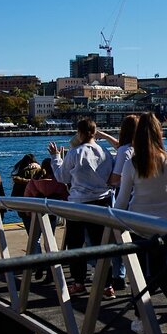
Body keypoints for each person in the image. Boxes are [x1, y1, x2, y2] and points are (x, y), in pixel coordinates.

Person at [114, 112, 167, 334]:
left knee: (138, 275)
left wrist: (112, 221)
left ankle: (140, 318)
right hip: (162, 225)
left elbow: (123, 200)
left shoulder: (132, 164)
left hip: (137, 225)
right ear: (159, 132)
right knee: (158, 270)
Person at [48, 118, 115, 298]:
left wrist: (56, 158)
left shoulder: (75, 152)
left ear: (79, 133)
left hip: (79, 203)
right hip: (102, 202)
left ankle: (79, 282)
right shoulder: (105, 152)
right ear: (95, 132)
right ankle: (107, 284)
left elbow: (62, 177)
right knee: (102, 244)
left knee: (76, 245)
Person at [99, 114, 139, 290]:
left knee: (118, 239)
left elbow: (115, 179)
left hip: (124, 195)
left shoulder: (124, 151)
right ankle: (126, 275)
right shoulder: (140, 148)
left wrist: (100, 178)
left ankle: (118, 276)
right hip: (138, 195)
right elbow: (121, 147)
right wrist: (106, 136)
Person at [24, 157, 68, 282]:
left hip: (36, 214)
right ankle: (50, 269)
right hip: (52, 214)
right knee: (49, 239)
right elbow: (65, 197)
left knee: (35, 239)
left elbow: (26, 197)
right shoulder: (58, 182)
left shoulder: (34, 181)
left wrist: (27, 212)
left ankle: (39, 263)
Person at [11, 153, 43, 245]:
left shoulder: (21, 173)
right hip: (41, 207)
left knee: (32, 235)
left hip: (25, 209)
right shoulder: (41, 171)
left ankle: (37, 254)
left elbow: (15, 195)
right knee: (42, 234)